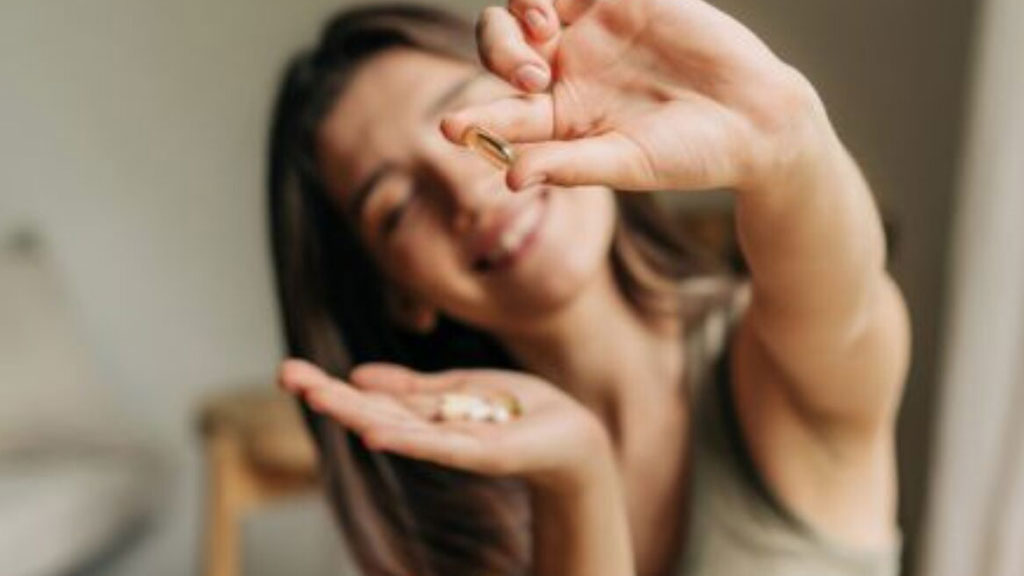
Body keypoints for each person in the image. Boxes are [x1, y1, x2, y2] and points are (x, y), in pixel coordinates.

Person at [268, 2, 911, 575]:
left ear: (553, 98)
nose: (464, 193)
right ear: (398, 294)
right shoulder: (462, 509)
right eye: (398, 207)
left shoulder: (773, 364)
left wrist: (785, 134)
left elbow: (849, 310)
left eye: (476, 126)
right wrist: (577, 481)